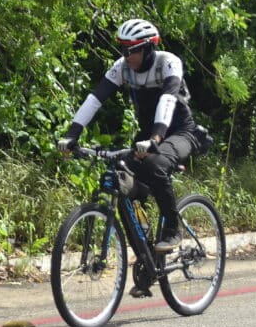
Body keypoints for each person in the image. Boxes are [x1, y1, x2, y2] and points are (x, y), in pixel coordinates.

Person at [57, 18, 201, 255]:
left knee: (155, 165)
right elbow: (95, 98)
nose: (126, 55)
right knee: (122, 174)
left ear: (148, 48)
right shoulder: (122, 67)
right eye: (123, 49)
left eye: (132, 50)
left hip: (179, 132)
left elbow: (167, 100)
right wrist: (72, 134)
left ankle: (173, 229)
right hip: (147, 136)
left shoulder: (168, 62)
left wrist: (156, 139)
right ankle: (145, 250)